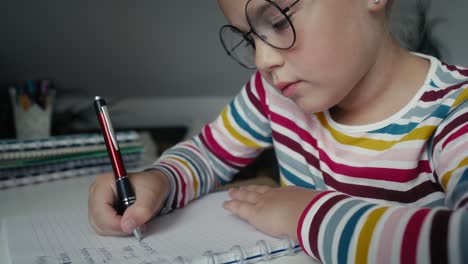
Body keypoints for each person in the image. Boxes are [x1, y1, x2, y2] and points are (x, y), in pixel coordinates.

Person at [88, 0, 468, 263]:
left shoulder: (454, 109)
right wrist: (161, 180)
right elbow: (209, 154)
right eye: (249, 38)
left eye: (278, 21)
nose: (262, 59)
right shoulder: (272, 95)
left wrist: (302, 213)